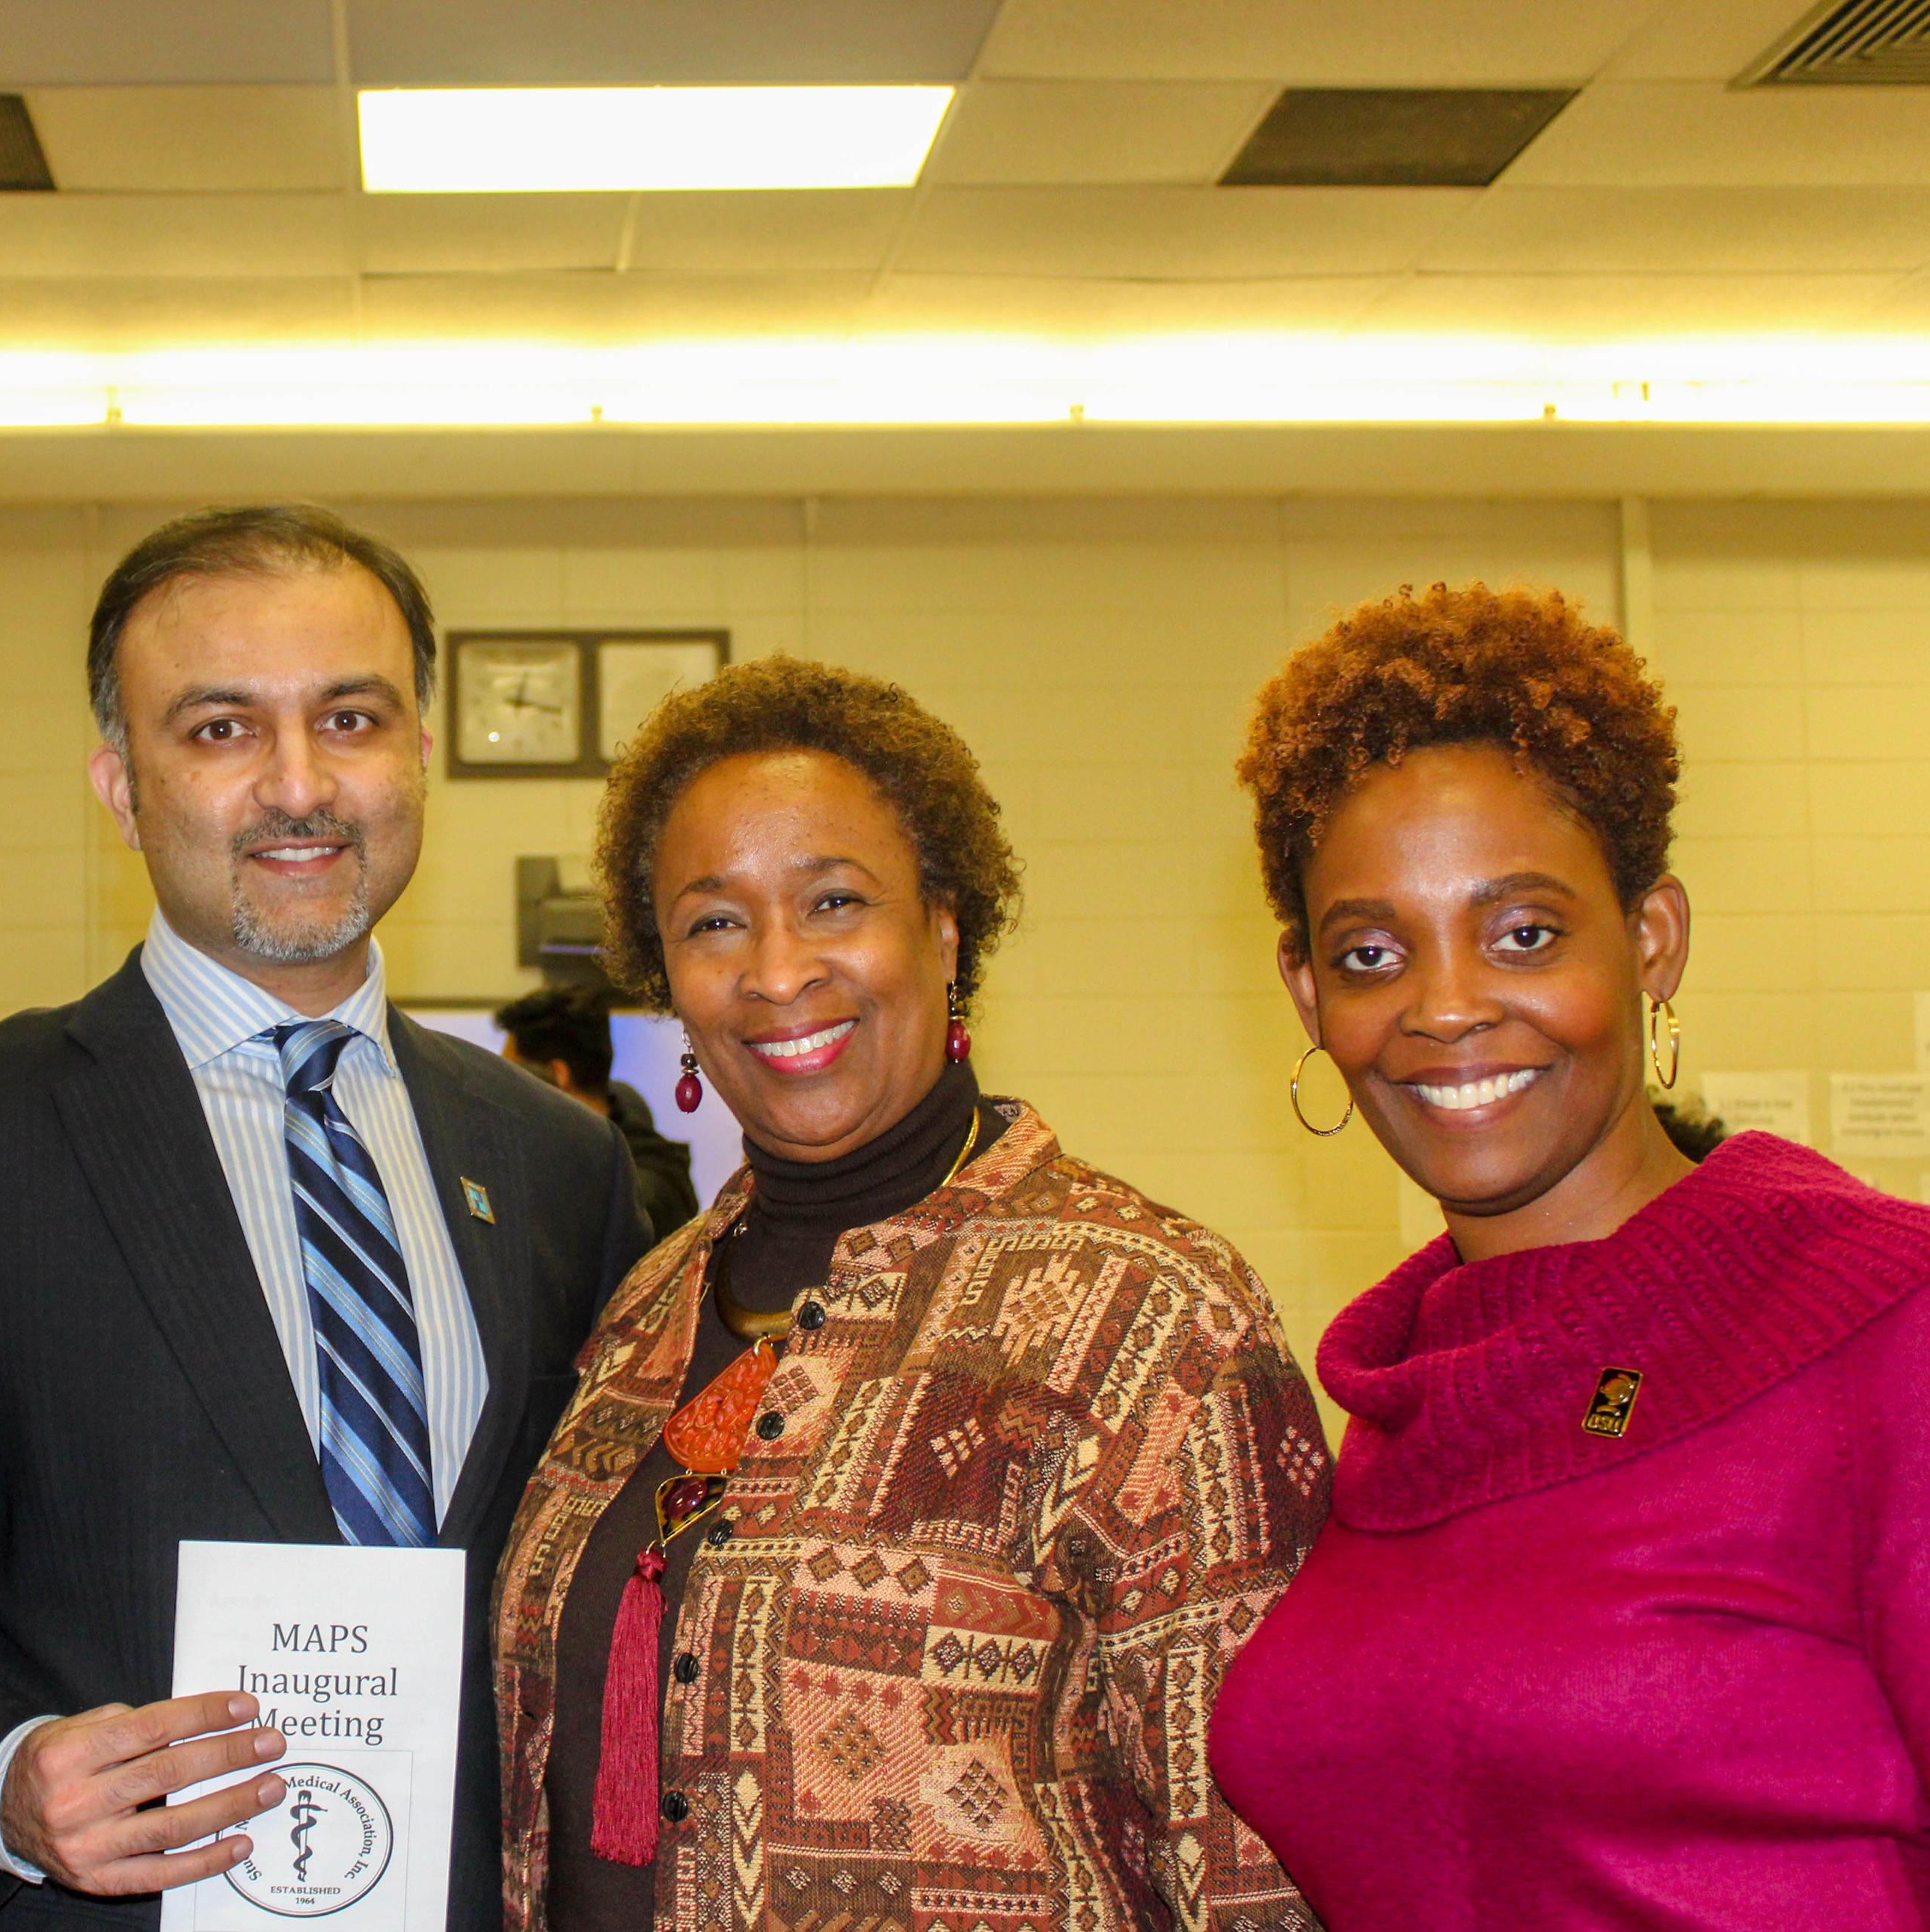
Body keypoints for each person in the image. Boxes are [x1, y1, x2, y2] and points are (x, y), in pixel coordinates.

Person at [0, 505, 649, 1932]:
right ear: (119, 780)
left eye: (350, 717)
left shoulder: (556, 1164)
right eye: (221, 729)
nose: (299, 785)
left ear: (415, 751)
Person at [493, 658, 1326, 1931]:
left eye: (834, 901)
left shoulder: (1154, 1315)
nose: (777, 971)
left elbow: (1258, 1866)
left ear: (945, 926)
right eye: (715, 922)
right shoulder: (640, 1314)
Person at [1210, 583, 1930, 1928]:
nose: (1447, 1005)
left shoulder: (1886, 1326)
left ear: (1651, 939)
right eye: (1372, 952)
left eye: (1523, 931)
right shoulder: (1397, 1407)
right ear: (1308, 993)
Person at [494, 984, 700, 1242]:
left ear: (558, 1074)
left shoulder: (628, 1200)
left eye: (513, 1074)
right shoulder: (612, 1159)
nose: (504, 1090)